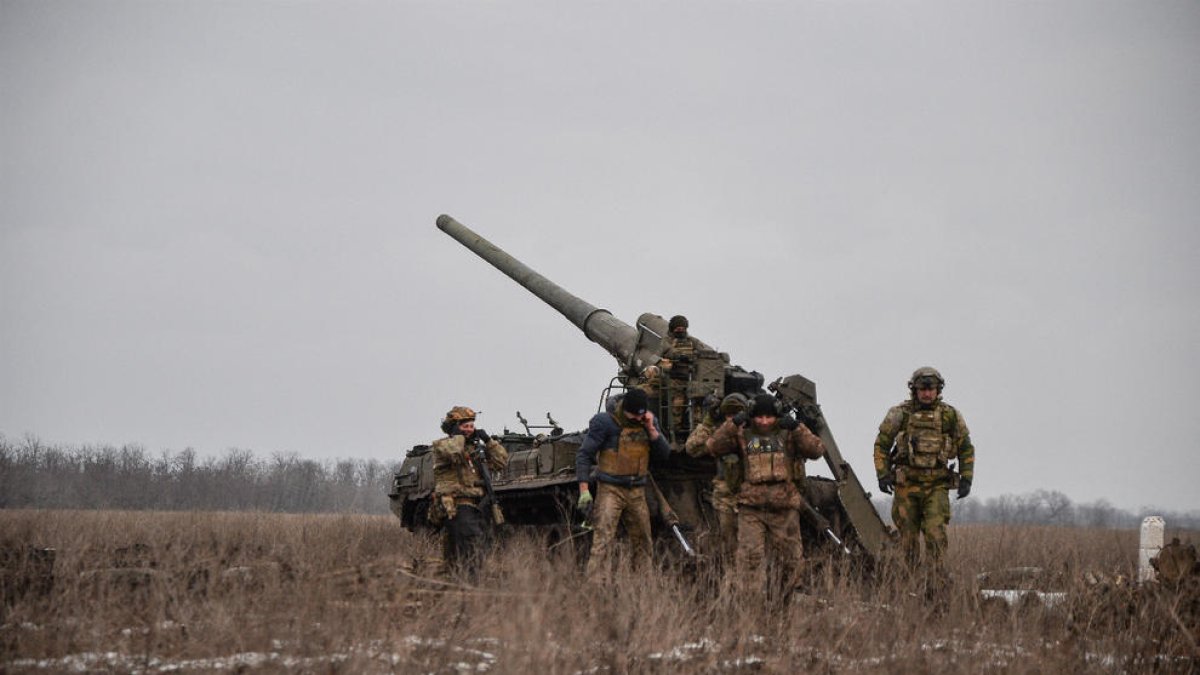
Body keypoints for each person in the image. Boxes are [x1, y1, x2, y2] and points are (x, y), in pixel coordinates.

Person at [708, 393, 825, 597]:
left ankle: (788, 603)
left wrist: (798, 428)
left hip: (784, 507)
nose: (764, 422)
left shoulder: (788, 433)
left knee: (792, 561)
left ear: (777, 416)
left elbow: (816, 450)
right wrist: (732, 424)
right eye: (759, 417)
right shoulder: (742, 433)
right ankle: (751, 607)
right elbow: (713, 446)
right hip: (751, 508)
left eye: (769, 417)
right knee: (750, 560)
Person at [872, 367, 976, 569]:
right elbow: (882, 444)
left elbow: (965, 447)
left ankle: (935, 584)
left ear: (938, 390)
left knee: (935, 535)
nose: (927, 394)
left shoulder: (950, 416)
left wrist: (967, 478)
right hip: (906, 486)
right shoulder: (900, 414)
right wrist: (882, 474)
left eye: (932, 389)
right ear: (915, 390)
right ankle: (908, 584)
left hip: (936, 486)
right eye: (923, 389)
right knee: (907, 540)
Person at [575, 388, 671, 583]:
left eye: (640, 415)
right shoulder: (604, 423)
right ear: (625, 409)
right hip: (611, 489)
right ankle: (595, 587)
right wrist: (584, 490)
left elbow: (664, 454)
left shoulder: (647, 422)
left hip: (637, 490)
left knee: (644, 543)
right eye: (633, 414)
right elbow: (584, 455)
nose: (637, 418)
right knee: (602, 541)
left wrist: (652, 430)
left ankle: (642, 586)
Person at [431, 406, 509, 579]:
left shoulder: (476, 450)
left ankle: (459, 581)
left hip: (477, 505)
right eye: (464, 426)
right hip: (456, 504)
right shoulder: (442, 445)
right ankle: (472, 583)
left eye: (471, 426)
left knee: (470, 547)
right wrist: (458, 435)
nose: (469, 430)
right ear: (454, 426)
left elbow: (501, 462)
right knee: (472, 545)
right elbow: (454, 452)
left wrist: (489, 441)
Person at [685, 392, 748, 565]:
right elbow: (693, 448)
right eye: (729, 415)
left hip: (753, 498)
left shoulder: (755, 431)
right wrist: (709, 421)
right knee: (728, 547)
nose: (732, 419)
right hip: (726, 499)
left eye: (737, 414)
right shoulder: (719, 432)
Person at [657, 315, 698, 433]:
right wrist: (679, 356)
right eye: (678, 329)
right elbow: (665, 351)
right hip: (674, 379)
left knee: (695, 406)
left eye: (683, 328)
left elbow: (701, 350)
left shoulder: (691, 341)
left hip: (690, 379)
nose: (680, 331)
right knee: (677, 406)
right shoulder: (666, 341)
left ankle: (691, 429)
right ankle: (676, 431)